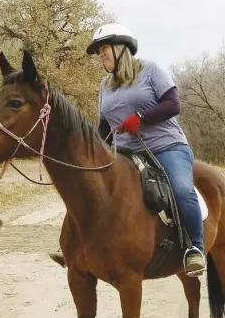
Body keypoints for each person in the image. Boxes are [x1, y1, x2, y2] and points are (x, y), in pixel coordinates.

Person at [86, 22, 205, 276]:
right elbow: (104, 127)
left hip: (166, 146)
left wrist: (141, 117)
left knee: (182, 190)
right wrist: (91, 154)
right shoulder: (105, 86)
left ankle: (194, 248)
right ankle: (85, 245)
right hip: (126, 152)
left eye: (104, 48)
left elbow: (173, 104)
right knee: (93, 187)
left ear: (121, 48)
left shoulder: (150, 70)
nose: (101, 54)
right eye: (99, 51)